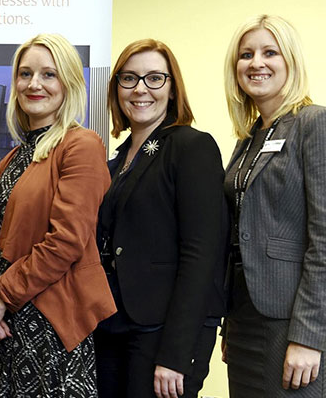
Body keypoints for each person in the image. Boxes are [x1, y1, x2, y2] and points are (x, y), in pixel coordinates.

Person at [0, 33, 115, 397]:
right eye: (26, 73)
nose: (34, 84)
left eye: (48, 74)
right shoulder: (10, 160)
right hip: (2, 330)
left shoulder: (81, 146)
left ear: (68, 84)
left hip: (50, 328)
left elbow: (66, 242)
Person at [221, 14, 326, 397]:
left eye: (270, 52)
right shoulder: (248, 140)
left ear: (290, 62)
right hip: (247, 320)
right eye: (245, 54)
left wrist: (308, 337)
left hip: (297, 324)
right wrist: (230, 325)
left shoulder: (319, 124)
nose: (256, 63)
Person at [93, 39, 227, 398]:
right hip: (113, 324)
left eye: (154, 78)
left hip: (165, 331)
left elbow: (202, 255)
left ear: (172, 88)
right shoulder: (116, 162)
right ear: (116, 88)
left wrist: (175, 355)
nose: (140, 89)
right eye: (129, 78)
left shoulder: (191, 147)